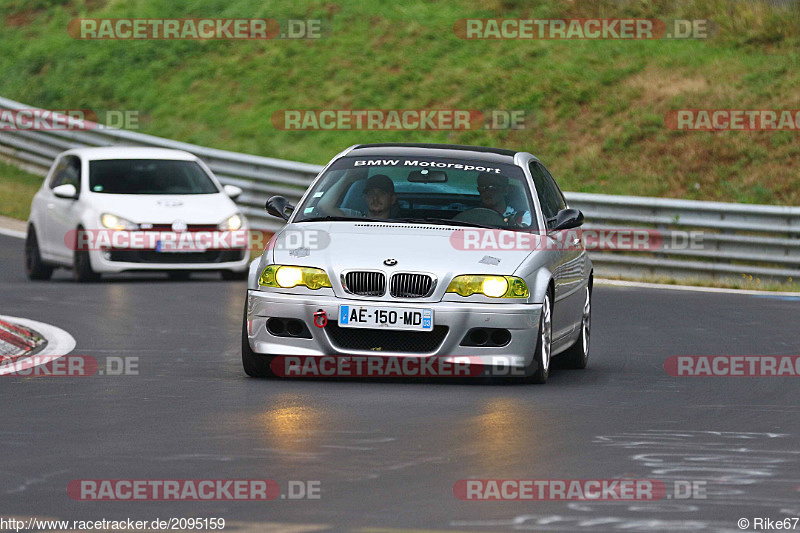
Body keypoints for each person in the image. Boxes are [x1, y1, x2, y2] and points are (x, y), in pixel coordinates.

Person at [316, 173, 398, 219]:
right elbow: (324, 206)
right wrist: (346, 178)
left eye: (381, 193)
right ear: (365, 198)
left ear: (392, 199)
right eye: (371, 193)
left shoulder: (401, 223)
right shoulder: (353, 217)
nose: (375, 198)